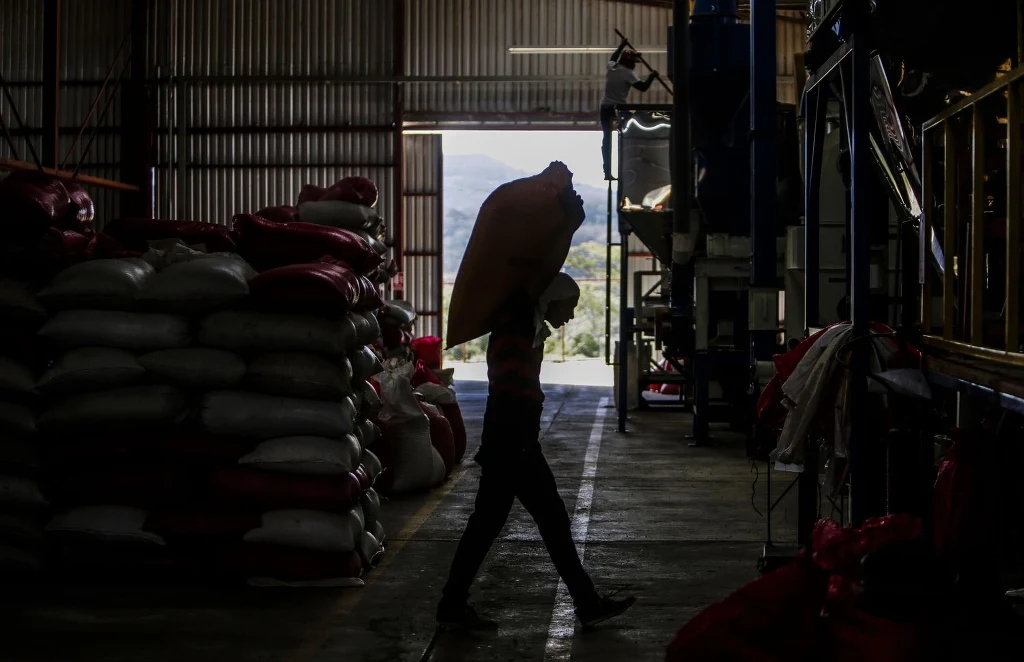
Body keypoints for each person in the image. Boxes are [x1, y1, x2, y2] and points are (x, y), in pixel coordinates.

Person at [437, 269, 636, 631]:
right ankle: (585, 602)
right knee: (545, 522)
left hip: (512, 440)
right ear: (551, 298)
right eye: (570, 306)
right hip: (514, 442)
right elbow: (510, 385)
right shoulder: (518, 325)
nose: (571, 315)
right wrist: (520, 442)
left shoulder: (525, 324)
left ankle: (454, 603)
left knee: (500, 524)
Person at [601, 39, 659, 181]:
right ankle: (629, 167)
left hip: (605, 108)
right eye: (633, 61)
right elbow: (643, 88)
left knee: (607, 139)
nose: (634, 65)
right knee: (627, 138)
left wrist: (621, 44)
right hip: (619, 109)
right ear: (629, 61)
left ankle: (607, 172)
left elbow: (613, 57)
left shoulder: (612, 66)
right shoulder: (628, 73)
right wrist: (652, 76)